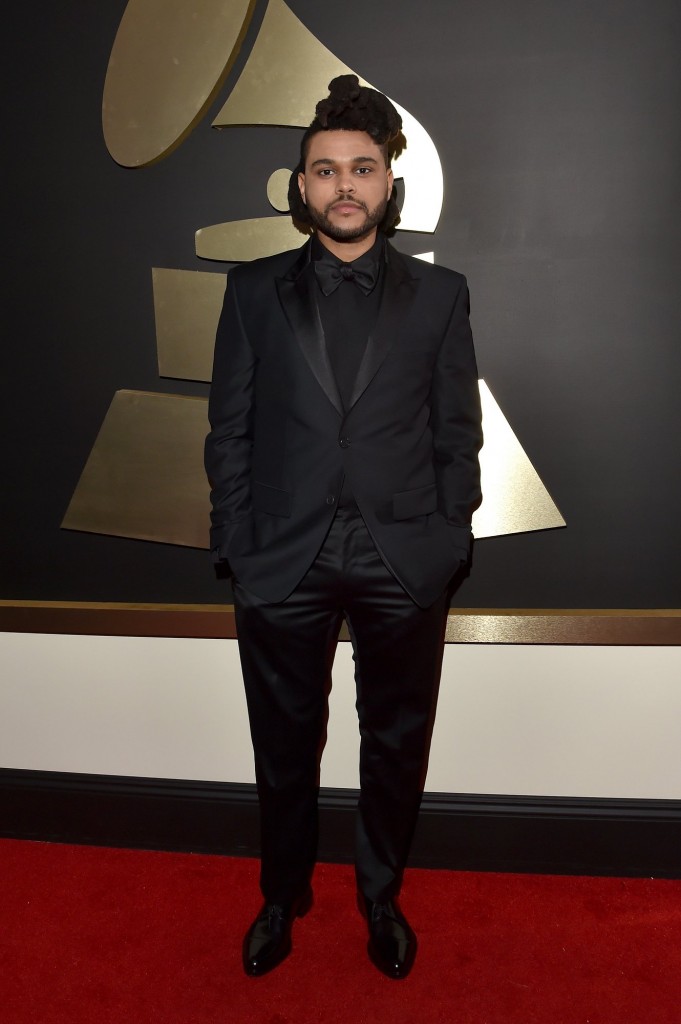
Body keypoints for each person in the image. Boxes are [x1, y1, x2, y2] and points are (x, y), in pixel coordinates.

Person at [205, 75, 483, 979]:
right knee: (282, 744)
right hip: (281, 557)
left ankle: (379, 894)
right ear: (301, 188)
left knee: (394, 742)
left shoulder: (441, 298)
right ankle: (281, 895)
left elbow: (455, 430)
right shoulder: (250, 293)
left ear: (389, 183)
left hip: (404, 557)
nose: (344, 185)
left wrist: (448, 539)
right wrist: (237, 544)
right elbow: (230, 430)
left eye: (361, 168)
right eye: (324, 170)